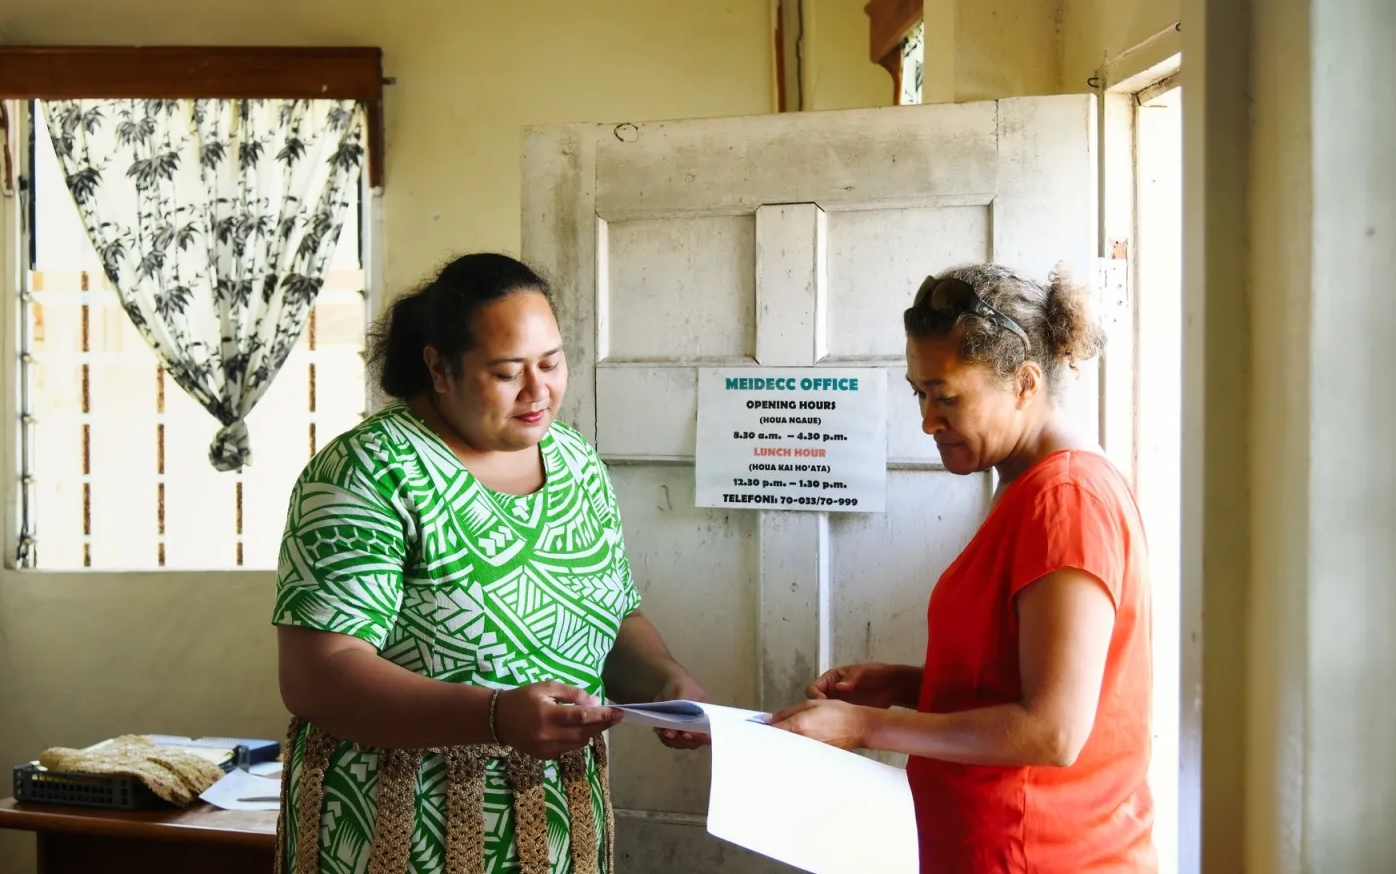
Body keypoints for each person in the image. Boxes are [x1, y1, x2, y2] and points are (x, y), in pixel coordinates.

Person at [273, 252, 711, 874]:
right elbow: (319, 675)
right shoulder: (369, 470)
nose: (539, 392)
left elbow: (609, 615)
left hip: (559, 829)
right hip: (396, 829)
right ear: (439, 368)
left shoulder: (574, 461)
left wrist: (665, 680)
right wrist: (494, 715)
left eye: (552, 363)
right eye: (507, 373)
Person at [769, 264, 1155, 873]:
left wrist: (865, 726)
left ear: (1025, 382)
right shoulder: (1028, 487)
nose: (927, 420)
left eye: (946, 396)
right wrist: (904, 687)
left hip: (1043, 855)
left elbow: (1051, 731)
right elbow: (1011, 680)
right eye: (919, 394)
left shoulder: (1067, 499)